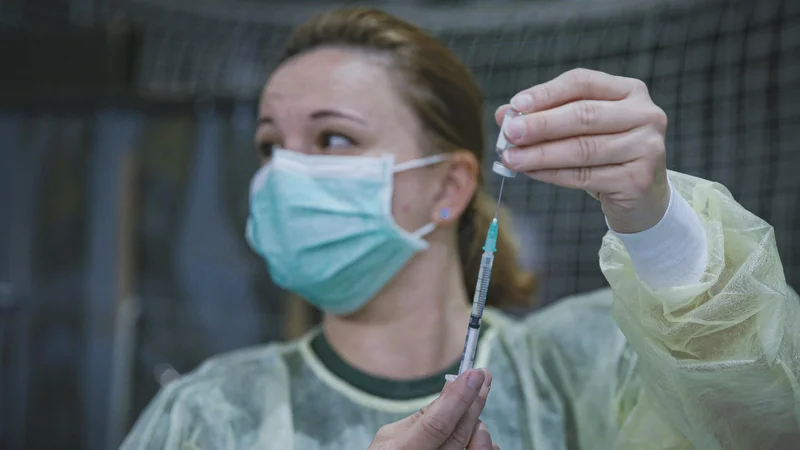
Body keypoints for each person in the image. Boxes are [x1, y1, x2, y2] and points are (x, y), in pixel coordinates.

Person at [121, 7, 800, 450]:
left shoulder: (591, 374)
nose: (286, 173)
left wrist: (657, 227)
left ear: (449, 187)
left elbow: (766, 419)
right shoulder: (203, 417)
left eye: (331, 139)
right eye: (271, 145)